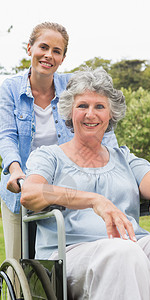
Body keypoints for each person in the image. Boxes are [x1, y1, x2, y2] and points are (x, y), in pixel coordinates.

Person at [21, 67, 150, 300]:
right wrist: (93, 200)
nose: (90, 114)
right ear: (69, 112)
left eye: (100, 106)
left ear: (111, 114)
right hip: (70, 253)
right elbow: (30, 193)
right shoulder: (49, 156)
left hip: (132, 244)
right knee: (123, 252)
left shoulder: (124, 158)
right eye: (82, 106)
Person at [0, 22, 118, 262]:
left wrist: (115, 163)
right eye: (43, 47)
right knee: (19, 261)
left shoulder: (72, 85)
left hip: (66, 182)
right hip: (22, 183)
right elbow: (7, 135)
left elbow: (101, 126)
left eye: (56, 51)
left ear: (63, 58)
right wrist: (15, 170)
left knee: (72, 255)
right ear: (29, 48)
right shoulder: (10, 89)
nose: (48, 55)